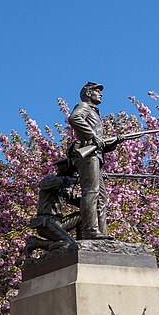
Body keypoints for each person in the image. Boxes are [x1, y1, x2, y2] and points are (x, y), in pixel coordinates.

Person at [67, 82, 119, 239]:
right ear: (88, 93)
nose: (100, 94)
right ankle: (90, 230)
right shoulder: (84, 106)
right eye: (97, 91)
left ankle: (101, 233)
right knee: (91, 191)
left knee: (101, 197)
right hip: (88, 155)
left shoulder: (94, 113)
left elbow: (100, 143)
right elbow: (74, 118)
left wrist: (114, 141)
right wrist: (93, 136)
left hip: (95, 154)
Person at [25, 167, 81, 254]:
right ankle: (37, 243)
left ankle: (82, 243)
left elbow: (82, 203)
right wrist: (75, 180)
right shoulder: (48, 181)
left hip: (59, 223)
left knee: (83, 215)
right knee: (69, 243)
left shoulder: (65, 190)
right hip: (46, 223)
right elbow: (59, 181)